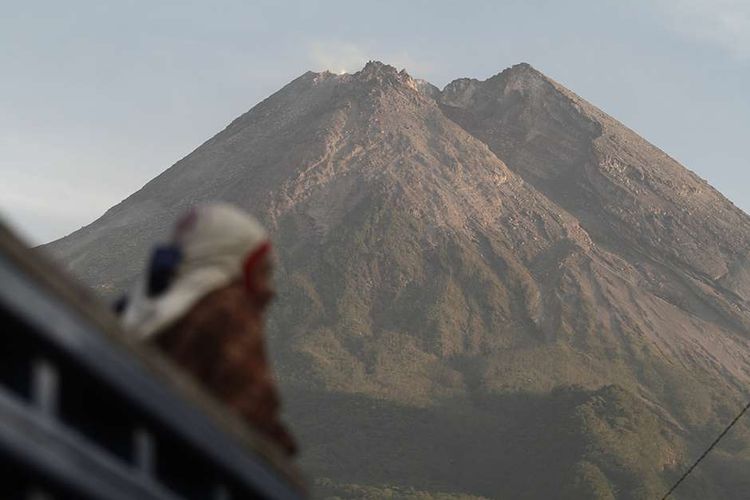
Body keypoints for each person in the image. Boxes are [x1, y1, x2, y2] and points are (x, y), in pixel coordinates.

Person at [120, 203, 297, 456]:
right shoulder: (227, 311)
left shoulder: (139, 308)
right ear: (234, 262)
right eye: (262, 271)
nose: (269, 290)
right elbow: (255, 416)